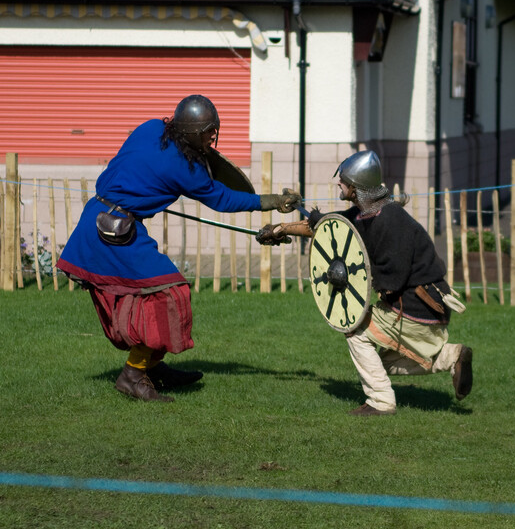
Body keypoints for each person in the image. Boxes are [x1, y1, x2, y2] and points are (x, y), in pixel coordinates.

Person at [57, 94, 300, 402]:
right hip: (112, 232)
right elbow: (223, 198)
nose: (213, 137)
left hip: (101, 216)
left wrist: (144, 190)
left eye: (214, 129)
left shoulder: (149, 127)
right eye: (207, 132)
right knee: (169, 292)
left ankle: (150, 367)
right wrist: (272, 201)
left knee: (160, 293)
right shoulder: (187, 169)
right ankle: (133, 375)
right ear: (191, 133)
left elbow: (133, 160)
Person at [257, 150, 472, 416]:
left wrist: (352, 276)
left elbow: (391, 279)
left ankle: (380, 402)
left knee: (355, 331)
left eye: (344, 182)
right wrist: (280, 229)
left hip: (419, 306)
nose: (339, 184)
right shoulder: (368, 214)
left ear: (356, 188)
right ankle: (452, 357)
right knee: (377, 363)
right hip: (422, 306)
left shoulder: (389, 221)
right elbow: (328, 226)